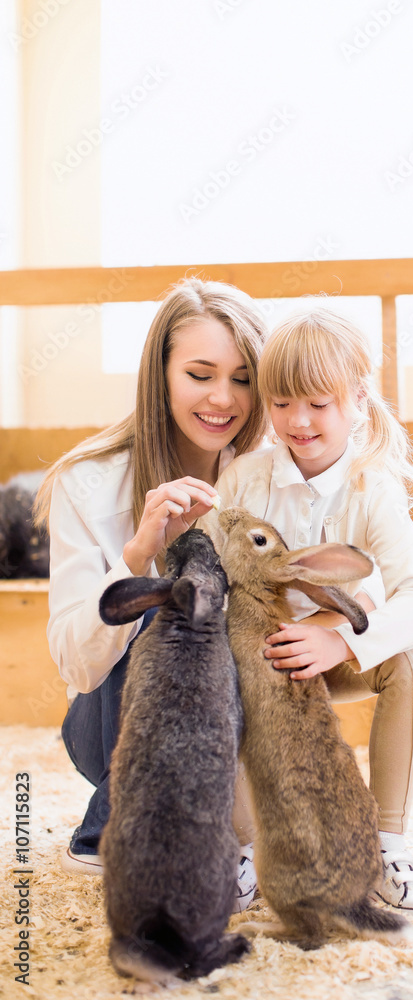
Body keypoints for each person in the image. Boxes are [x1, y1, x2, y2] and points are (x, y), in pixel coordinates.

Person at [202, 305, 413, 919]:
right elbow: (208, 567)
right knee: (215, 668)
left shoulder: (374, 488)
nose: (298, 420)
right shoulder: (245, 478)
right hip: (256, 657)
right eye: (281, 402)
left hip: (330, 657)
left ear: (358, 400)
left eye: (318, 403)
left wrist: (339, 641)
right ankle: (242, 856)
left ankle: (385, 850)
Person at [34, 277, 266, 911]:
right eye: (199, 374)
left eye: (243, 378)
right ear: (159, 375)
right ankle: (115, 823)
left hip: (232, 730)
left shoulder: (272, 472)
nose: (223, 398)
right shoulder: (88, 480)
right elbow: (77, 665)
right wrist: (139, 554)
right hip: (111, 723)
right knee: (170, 613)